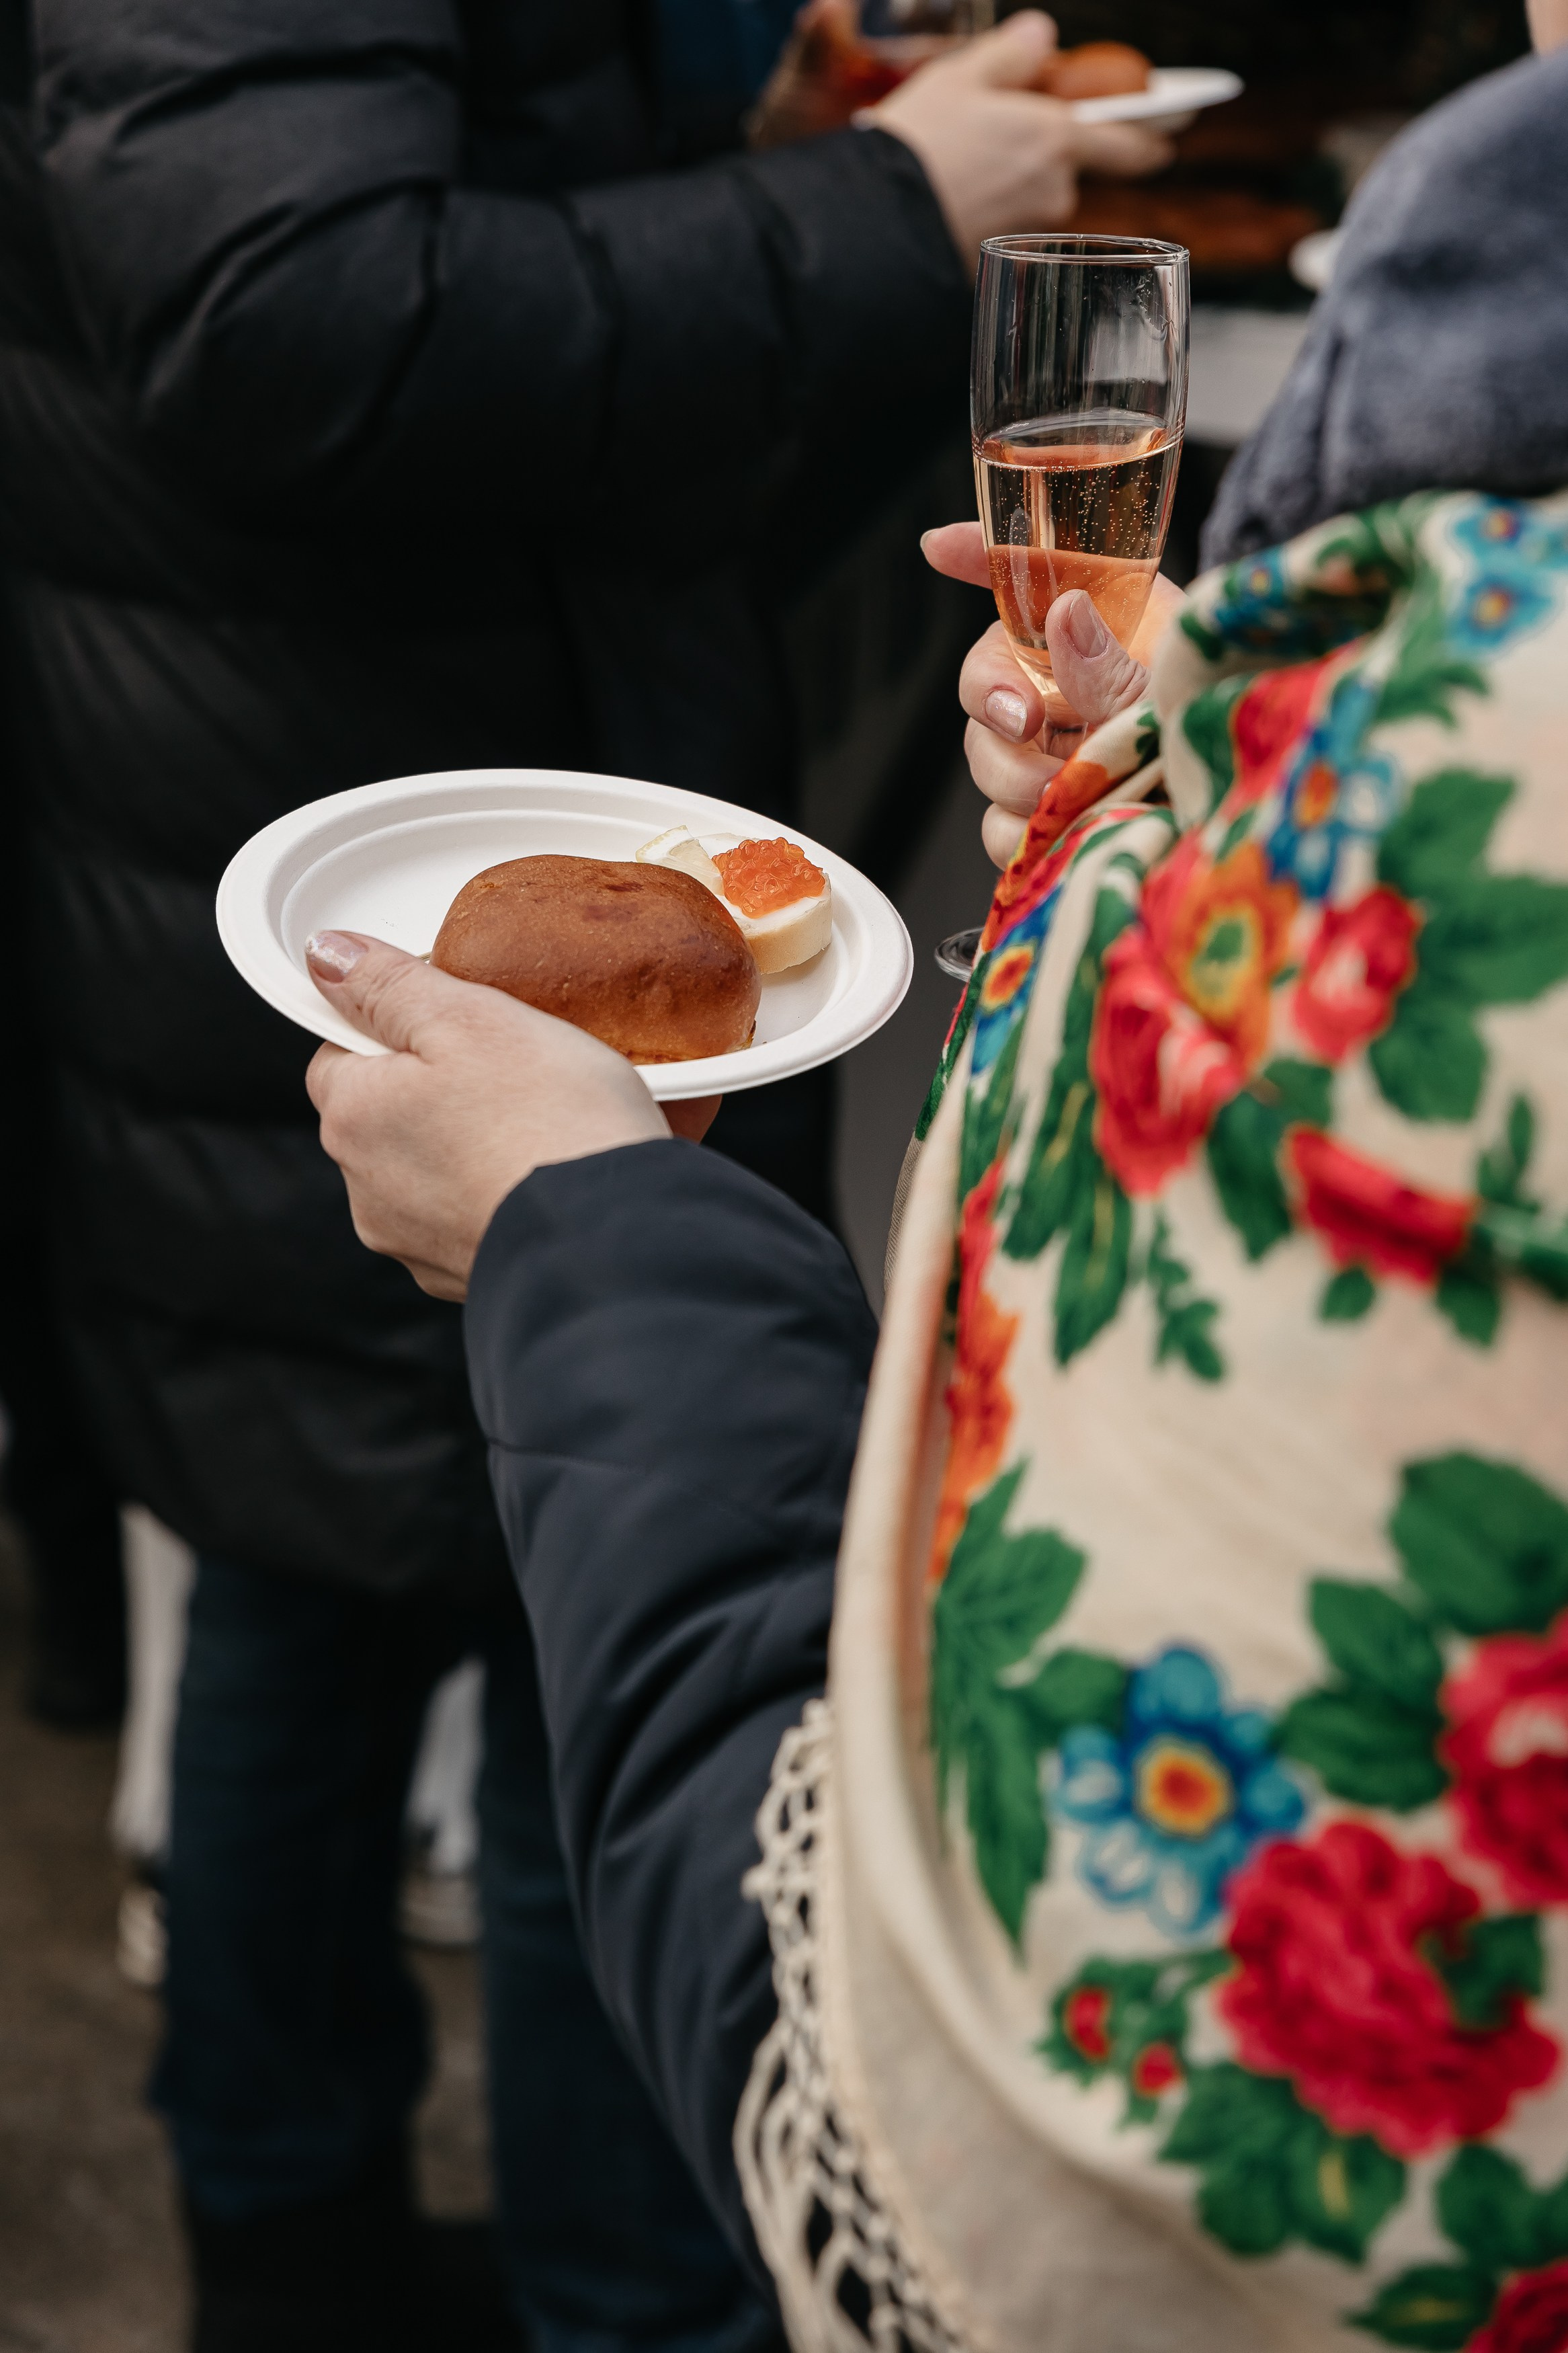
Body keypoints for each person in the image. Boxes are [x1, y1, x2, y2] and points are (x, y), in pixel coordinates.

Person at [298, 13, 1568, 2346]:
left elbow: (994, 2164)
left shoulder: (1479, 693)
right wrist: (1167, 803)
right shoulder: (1420, 635)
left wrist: (587, 1237)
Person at [2, 2, 1167, 2342]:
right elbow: (284, 305)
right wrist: (876, 207)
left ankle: (521, 2266)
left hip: (541, 775)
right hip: (346, 839)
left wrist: (759, 127)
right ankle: (422, 2268)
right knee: (423, 1588)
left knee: (465, 1574)